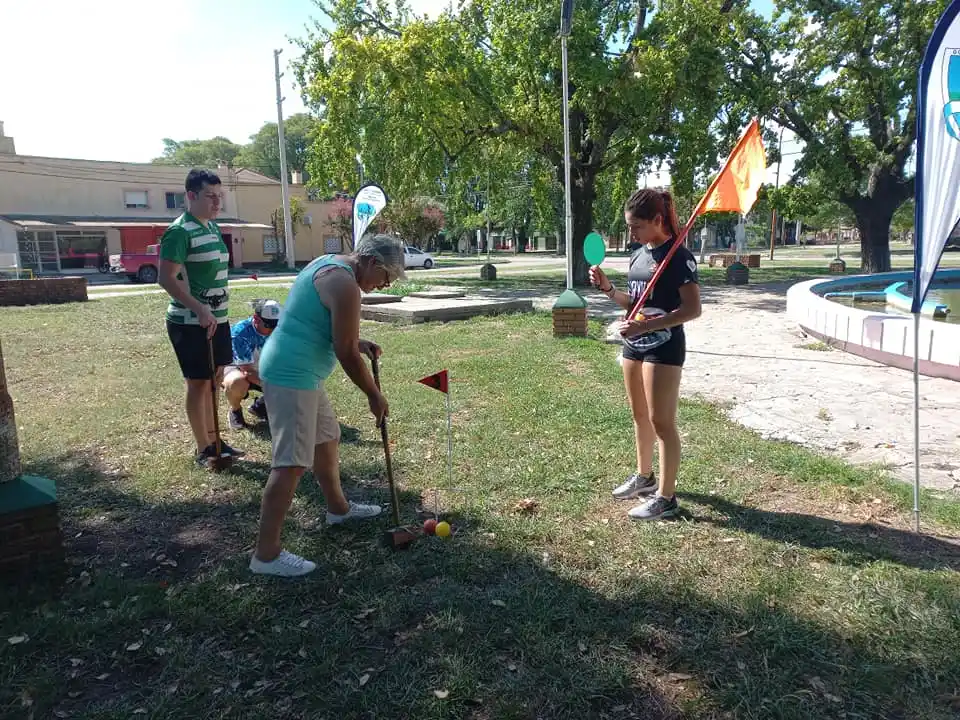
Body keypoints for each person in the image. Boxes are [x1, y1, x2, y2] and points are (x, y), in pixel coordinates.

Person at [249, 234, 407, 577]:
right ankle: (266, 554)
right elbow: (344, 351)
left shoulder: (328, 264)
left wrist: (356, 341)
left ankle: (338, 509)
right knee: (290, 463)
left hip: (298, 369)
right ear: (371, 263)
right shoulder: (345, 284)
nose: (384, 285)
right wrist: (373, 394)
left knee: (326, 437)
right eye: (386, 278)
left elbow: (322, 325)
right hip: (291, 373)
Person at [589, 189, 701, 520]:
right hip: (633, 344)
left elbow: (692, 309)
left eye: (636, 227)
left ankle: (666, 498)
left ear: (657, 220)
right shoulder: (639, 255)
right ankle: (644, 477)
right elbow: (633, 303)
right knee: (639, 416)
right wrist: (609, 289)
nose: (631, 234)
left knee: (661, 422)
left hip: (664, 347)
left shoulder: (679, 256)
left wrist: (648, 326)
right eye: (629, 227)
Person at [158, 168, 244, 466]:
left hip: (217, 318)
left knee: (215, 379)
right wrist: (198, 308)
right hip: (189, 322)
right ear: (191, 196)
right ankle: (203, 448)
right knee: (198, 383)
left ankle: (214, 438)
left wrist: (213, 313)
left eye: (219, 197)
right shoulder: (179, 232)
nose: (217, 203)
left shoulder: (212, 227)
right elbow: (166, 278)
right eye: (210, 196)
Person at [223, 299, 281, 430]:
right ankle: (235, 410)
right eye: (268, 325)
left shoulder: (282, 330)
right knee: (237, 382)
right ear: (256, 318)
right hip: (238, 367)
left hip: (264, 366)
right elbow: (248, 372)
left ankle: (260, 407)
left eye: (276, 325)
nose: (273, 330)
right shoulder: (241, 334)